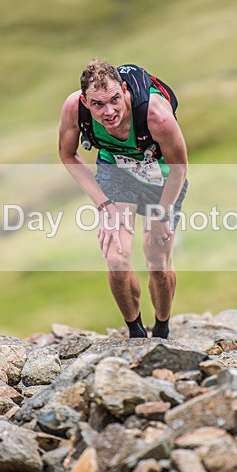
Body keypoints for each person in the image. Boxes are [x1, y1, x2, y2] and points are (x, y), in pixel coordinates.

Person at [58, 59, 189, 339]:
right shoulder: (73, 108)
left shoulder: (156, 116)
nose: (109, 112)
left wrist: (161, 215)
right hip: (116, 172)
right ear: (85, 101)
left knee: (157, 255)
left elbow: (180, 167)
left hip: (162, 174)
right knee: (116, 257)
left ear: (125, 90)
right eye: (97, 105)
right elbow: (67, 154)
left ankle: (162, 330)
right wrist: (103, 204)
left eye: (115, 99)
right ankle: (136, 334)